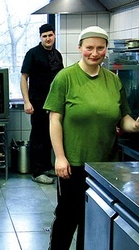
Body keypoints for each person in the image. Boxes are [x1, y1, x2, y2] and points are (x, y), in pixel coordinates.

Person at [44, 26, 139, 250]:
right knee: (67, 218)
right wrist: (60, 157)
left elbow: (122, 119)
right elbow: (54, 119)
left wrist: (135, 125)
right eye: (89, 48)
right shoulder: (65, 78)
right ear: (80, 48)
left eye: (100, 48)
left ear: (106, 49)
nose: (94, 53)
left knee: (95, 218)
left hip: (105, 165)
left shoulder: (114, 81)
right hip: (73, 164)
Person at [20, 23, 64, 184]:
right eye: (44, 36)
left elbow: (62, 80)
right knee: (38, 137)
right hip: (37, 103)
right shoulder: (32, 54)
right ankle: (37, 172)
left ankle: (46, 166)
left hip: (55, 104)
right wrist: (26, 102)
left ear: (54, 36)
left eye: (50, 35)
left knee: (51, 136)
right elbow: (24, 78)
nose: (48, 38)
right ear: (40, 38)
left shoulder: (57, 55)